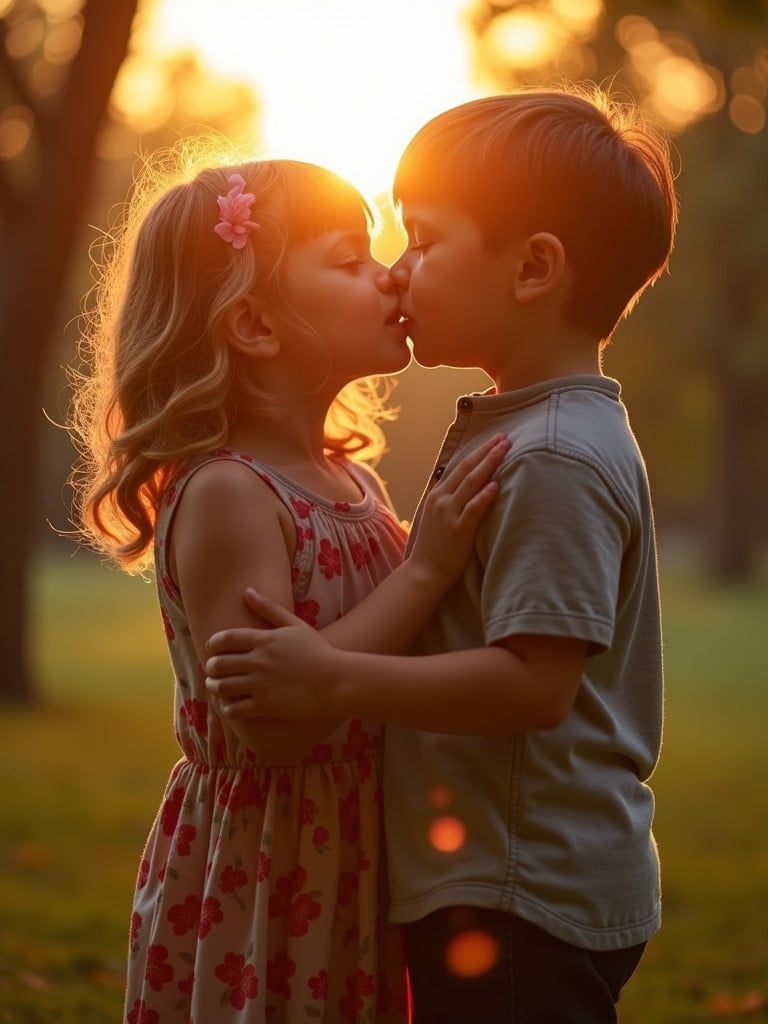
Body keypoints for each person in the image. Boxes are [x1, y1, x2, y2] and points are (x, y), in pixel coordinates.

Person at [205, 84, 679, 1024]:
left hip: (519, 888)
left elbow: (532, 687)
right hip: (508, 877)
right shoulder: (534, 426)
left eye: (422, 239)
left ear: (533, 268)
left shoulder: (551, 453)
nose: (398, 271)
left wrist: (333, 680)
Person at [68, 146, 509, 1023]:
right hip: (271, 867)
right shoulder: (233, 492)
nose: (390, 277)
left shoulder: (352, 482)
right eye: (350, 260)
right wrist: (425, 570)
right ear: (256, 326)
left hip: (362, 845)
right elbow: (269, 725)